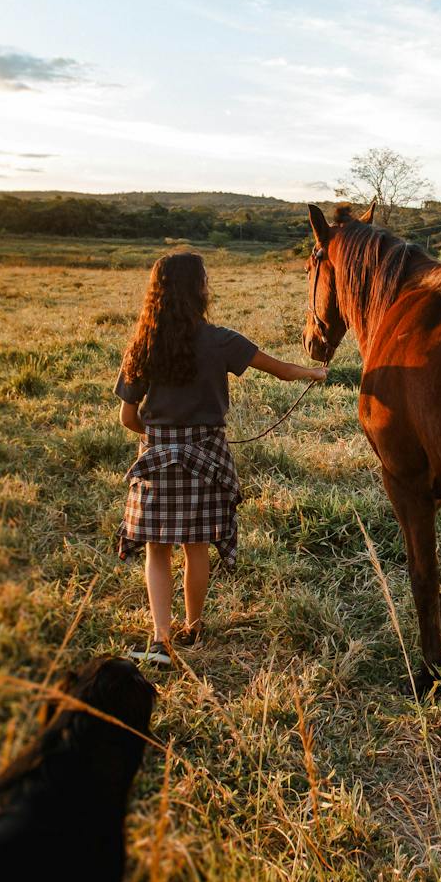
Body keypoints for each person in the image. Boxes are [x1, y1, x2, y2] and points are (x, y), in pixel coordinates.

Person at [113, 251, 324, 666]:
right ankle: (193, 625)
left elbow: (127, 417)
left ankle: (160, 638)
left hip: (156, 457)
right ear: (199, 290)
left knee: (157, 550)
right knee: (196, 546)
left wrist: (162, 438)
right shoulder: (222, 340)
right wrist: (313, 373)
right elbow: (279, 370)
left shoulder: (141, 345)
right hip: (206, 456)